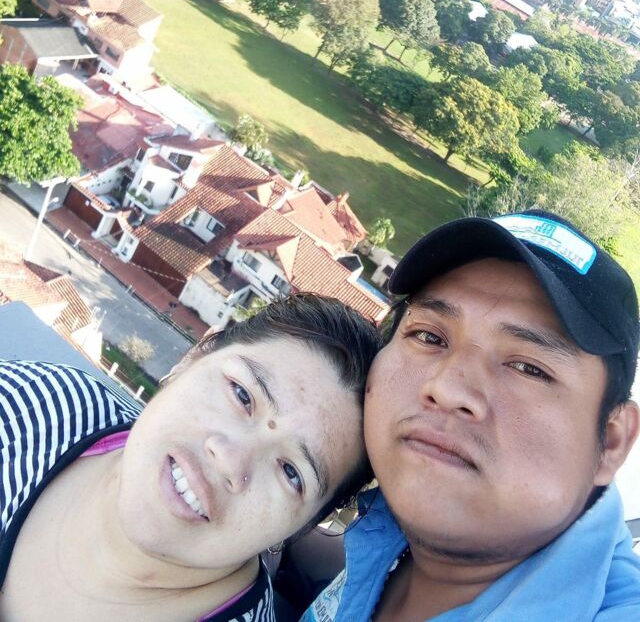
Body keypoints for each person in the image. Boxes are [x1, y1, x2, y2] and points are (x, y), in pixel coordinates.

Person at [303, 209, 640, 621]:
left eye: (528, 368)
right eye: (429, 336)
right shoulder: (397, 537)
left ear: (612, 441)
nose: (447, 389)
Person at [0, 293, 383, 621]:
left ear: (299, 527)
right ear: (194, 357)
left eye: (291, 473)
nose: (230, 459)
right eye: (242, 395)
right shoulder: (36, 402)